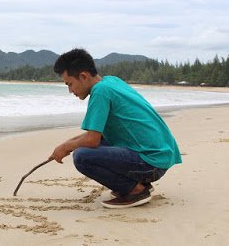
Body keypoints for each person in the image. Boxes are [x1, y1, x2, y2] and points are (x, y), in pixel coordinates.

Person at [50, 48, 182, 209]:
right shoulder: (111, 81)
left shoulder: (100, 92)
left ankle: (135, 190)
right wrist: (66, 145)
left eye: (69, 84)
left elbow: (91, 140)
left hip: (151, 162)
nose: (70, 90)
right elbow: (96, 135)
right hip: (160, 155)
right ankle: (139, 184)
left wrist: (65, 147)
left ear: (83, 76)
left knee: (82, 156)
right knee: (96, 142)